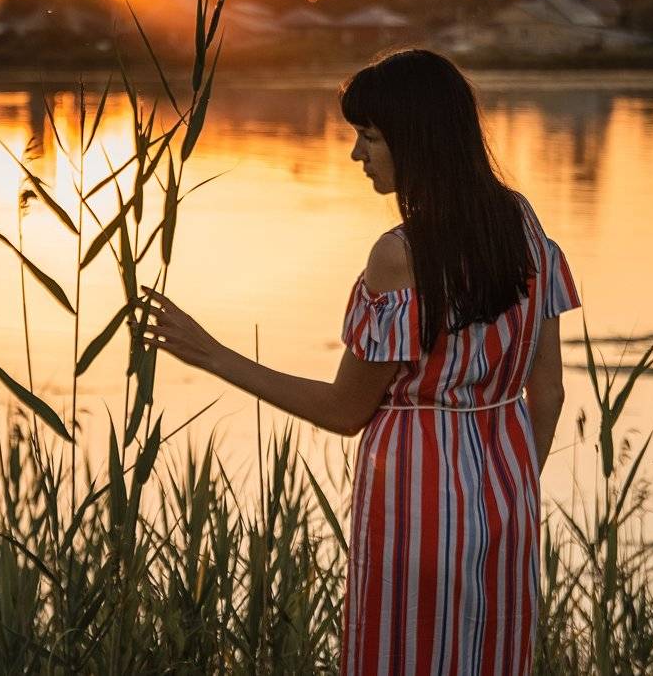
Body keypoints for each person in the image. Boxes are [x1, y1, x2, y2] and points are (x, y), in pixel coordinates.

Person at [140, 47, 580, 675]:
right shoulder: (524, 226)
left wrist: (212, 354)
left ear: (416, 142)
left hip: (416, 507)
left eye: (369, 137)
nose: (356, 154)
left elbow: (344, 411)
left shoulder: (401, 255)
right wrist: (513, 489)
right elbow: (550, 394)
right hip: (509, 505)